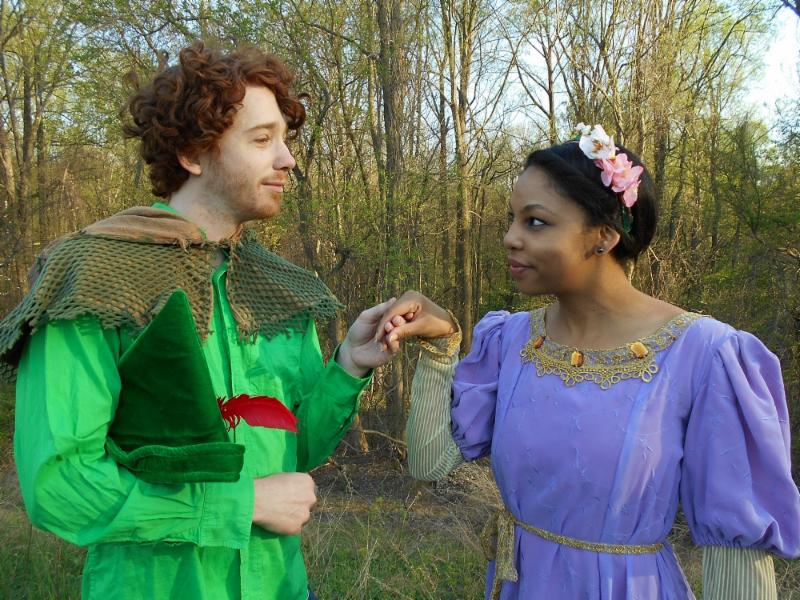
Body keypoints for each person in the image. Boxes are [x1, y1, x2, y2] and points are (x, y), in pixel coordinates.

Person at [0, 42, 400, 600]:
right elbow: (60, 486)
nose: (287, 160)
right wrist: (242, 504)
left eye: (285, 139)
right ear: (192, 153)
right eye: (262, 140)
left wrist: (349, 367)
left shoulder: (279, 288)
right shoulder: (95, 278)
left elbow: (295, 450)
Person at [376, 124, 800, 599]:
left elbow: (736, 549)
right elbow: (430, 463)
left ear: (603, 236)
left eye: (535, 222)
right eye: (512, 219)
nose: (510, 238)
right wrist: (440, 347)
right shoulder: (510, 340)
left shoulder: (705, 355)